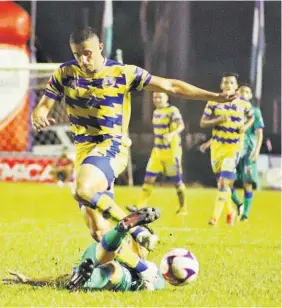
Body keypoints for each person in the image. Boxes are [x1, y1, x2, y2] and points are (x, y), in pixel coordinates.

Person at [31, 27, 236, 243]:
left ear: (100, 47)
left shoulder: (123, 73)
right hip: (84, 152)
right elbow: (44, 104)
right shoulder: (65, 73)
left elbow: (170, 85)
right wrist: (38, 115)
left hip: (111, 145)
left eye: (87, 53)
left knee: (82, 189)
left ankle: (137, 230)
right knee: (99, 232)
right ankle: (141, 270)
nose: (83, 59)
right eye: (77, 54)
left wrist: (213, 96)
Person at [3, 208, 164, 292]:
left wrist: (30, 280)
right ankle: (82, 278)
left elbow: (157, 284)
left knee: (110, 264)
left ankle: (114, 222)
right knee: (106, 256)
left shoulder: (154, 271)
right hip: (110, 261)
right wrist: (30, 280)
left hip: (123, 274)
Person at [200, 73, 254, 226]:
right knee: (223, 184)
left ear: (236, 86)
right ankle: (231, 211)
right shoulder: (213, 102)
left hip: (234, 147)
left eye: (231, 83)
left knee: (224, 183)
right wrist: (217, 120)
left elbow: (251, 118)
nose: (228, 85)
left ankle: (214, 218)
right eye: (225, 82)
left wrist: (244, 126)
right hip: (217, 148)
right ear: (221, 85)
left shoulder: (244, 104)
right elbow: (203, 122)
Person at [127, 92, 187, 215]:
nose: (157, 99)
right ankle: (140, 206)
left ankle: (183, 208)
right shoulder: (156, 112)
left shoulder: (172, 110)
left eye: (160, 97)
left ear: (166, 97)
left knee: (176, 182)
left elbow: (181, 125)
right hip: (157, 153)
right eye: (155, 97)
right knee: (148, 179)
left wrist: (171, 134)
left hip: (171, 154)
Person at [230, 84, 264, 221]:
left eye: (247, 92)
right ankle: (239, 203)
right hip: (233, 149)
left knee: (247, 183)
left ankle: (245, 215)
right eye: (241, 91)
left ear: (250, 96)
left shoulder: (255, 112)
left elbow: (259, 134)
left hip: (248, 151)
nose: (244, 93)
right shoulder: (232, 109)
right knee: (226, 181)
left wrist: (256, 152)